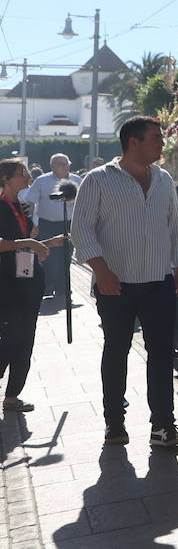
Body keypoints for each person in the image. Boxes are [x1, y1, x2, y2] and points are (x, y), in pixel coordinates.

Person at [71, 116, 178, 449]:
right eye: (156, 137)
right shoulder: (98, 179)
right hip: (116, 284)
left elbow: (174, 225)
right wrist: (101, 271)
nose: (162, 142)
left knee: (162, 353)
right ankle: (114, 423)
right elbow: (81, 229)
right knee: (116, 350)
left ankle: (162, 426)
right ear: (133, 142)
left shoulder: (164, 179)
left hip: (159, 281)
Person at [0, 158, 57, 412]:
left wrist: (50, 242)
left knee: (26, 339)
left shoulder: (22, 207)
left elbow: (27, 241)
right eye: (22, 173)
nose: (28, 177)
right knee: (9, 337)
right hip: (6, 283)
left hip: (29, 280)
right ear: (6, 179)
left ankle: (12, 396)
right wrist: (29, 243)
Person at [19, 152, 80, 299]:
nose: (64, 167)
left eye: (66, 164)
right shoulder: (42, 181)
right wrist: (32, 224)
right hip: (47, 224)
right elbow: (31, 203)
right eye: (61, 164)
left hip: (69, 224)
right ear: (52, 166)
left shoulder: (77, 180)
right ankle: (47, 286)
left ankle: (62, 287)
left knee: (66, 256)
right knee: (48, 255)